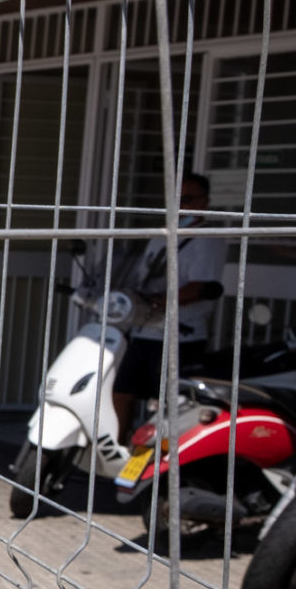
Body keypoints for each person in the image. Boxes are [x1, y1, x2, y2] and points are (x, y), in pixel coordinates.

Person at [113, 170, 224, 438]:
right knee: (122, 391)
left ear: (204, 202)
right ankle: (122, 447)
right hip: (144, 330)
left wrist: (160, 301)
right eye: (174, 198)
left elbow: (201, 286)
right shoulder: (160, 236)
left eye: (186, 198)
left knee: (168, 401)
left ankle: (160, 457)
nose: (179, 205)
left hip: (179, 335)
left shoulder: (207, 239)